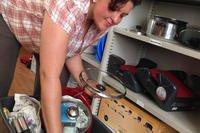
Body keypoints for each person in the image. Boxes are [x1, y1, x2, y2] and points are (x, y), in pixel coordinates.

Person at [0, 0, 140, 132]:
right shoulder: (67, 7)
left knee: (53, 94)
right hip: (11, 16)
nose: (116, 19)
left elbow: (70, 50)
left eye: (122, 15)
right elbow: (49, 76)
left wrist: (84, 82)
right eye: (113, 8)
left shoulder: (103, 20)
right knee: (2, 80)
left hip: (42, 31)